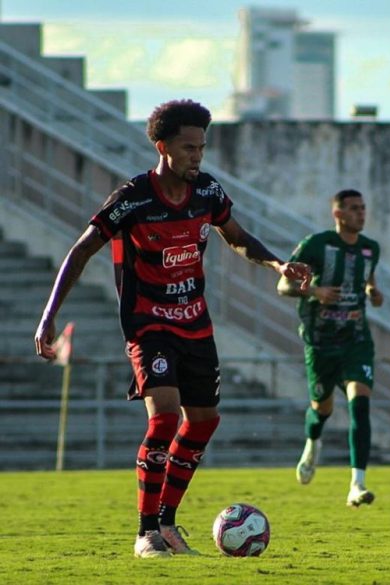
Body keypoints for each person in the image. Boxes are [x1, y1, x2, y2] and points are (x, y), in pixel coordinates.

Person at [34, 99, 311, 558]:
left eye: (201, 147)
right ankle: (145, 532)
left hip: (195, 324)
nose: (197, 156)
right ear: (163, 147)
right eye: (188, 148)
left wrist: (279, 263)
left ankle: (167, 523)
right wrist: (49, 315)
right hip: (149, 324)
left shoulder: (207, 192)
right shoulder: (133, 199)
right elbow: (81, 251)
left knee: (203, 422)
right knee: (163, 416)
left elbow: (237, 238)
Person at [277, 189, 384, 507]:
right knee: (322, 408)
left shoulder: (370, 249)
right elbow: (283, 284)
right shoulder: (317, 245)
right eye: (353, 209)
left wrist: (373, 293)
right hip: (320, 342)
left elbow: (368, 281)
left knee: (359, 402)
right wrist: (314, 291)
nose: (361, 214)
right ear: (338, 214)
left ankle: (357, 484)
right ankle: (312, 443)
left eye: (363, 208)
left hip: (356, 340)